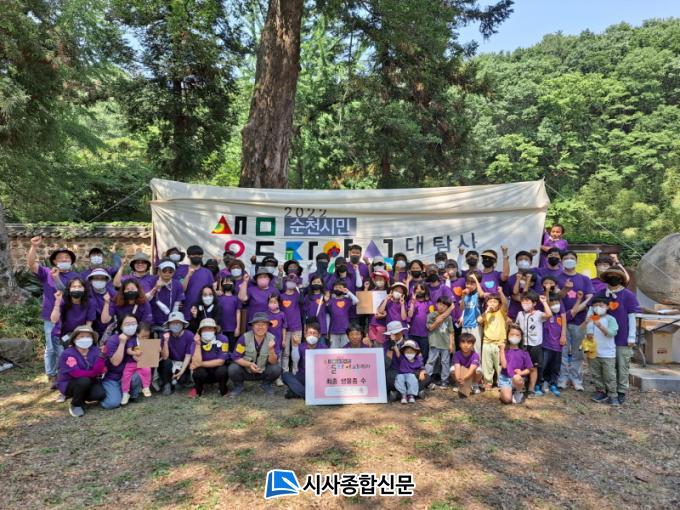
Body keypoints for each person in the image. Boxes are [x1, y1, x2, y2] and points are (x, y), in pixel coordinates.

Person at [27, 236, 79, 386]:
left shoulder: (75, 277)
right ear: (55, 261)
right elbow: (31, 264)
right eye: (60, 258)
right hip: (51, 316)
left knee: (67, 345)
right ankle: (51, 374)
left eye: (67, 258)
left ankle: (66, 372)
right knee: (50, 347)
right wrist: (33, 247)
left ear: (71, 261)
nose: (64, 260)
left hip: (69, 317)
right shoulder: (47, 273)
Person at [599, 266, 640, 405]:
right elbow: (594, 313)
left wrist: (632, 336)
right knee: (606, 365)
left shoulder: (628, 295)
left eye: (616, 275)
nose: (613, 278)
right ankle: (607, 389)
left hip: (623, 336)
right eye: (610, 275)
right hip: (604, 337)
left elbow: (632, 316)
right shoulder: (601, 293)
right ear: (606, 278)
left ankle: (621, 391)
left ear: (621, 278)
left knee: (622, 365)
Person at [557, 250, 594, 392]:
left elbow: (589, 297)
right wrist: (565, 289)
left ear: (576, 261)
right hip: (561, 320)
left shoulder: (584, 279)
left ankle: (576, 379)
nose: (569, 260)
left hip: (579, 321)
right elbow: (556, 298)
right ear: (562, 261)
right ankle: (562, 378)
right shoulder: (558, 278)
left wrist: (576, 310)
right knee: (563, 350)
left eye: (572, 258)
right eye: (566, 258)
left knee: (578, 351)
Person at [56, 325, 107, 417]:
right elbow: (76, 373)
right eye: (81, 336)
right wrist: (93, 373)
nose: (85, 339)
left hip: (90, 381)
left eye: (88, 336)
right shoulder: (67, 353)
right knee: (84, 380)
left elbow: (99, 369)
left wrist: (102, 357)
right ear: (75, 339)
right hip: (70, 383)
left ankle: (81, 397)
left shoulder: (95, 350)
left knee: (100, 394)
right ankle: (76, 404)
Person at [228, 312, 282, 397]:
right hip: (246, 371)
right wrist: (249, 365)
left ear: (268, 326)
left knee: (277, 369)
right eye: (257, 324)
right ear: (252, 326)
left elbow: (273, 362)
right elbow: (236, 357)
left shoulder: (273, 339)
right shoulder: (244, 338)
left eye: (263, 324)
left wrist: (271, 350)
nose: (260, 327)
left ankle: (266, 384)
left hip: (263, 371)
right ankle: (239, 386)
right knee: (233, 368)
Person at [583, 296, 620, 406]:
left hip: (608, 353)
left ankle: (613, 395)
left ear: (607, 307)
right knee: (596, 374)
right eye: (595, 306)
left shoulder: (610, 319)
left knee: (609, 375)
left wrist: (600, 326)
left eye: (601, 305)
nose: (598, 308)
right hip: (593, 352)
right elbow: (587, 332)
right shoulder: (592, 318)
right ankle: (600, 391)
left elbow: (612, 333)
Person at [100, 314, 143, 409]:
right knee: (112, 403)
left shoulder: (140, 338)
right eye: (127, 324)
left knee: (140, 373)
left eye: (134, 323)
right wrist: (122, 343)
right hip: (114, 378)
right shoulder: (113, 340)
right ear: (121, 326)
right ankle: (115, 392)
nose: (131, 326)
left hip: (130, 375)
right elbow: (115, 362)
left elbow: (147, 361)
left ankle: (133, 395)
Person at [515, 291, 552, 397]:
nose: (525, 304)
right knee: (521, 366)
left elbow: (549, 315)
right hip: (522, 345)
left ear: (534, 303)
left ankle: (531, 389)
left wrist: (544, 302)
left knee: (533, 367)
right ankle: (520, 387)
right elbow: (516, 326)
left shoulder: (538, 314)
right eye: (523, 301)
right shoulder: (520, 314)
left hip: (535, 346)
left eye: (527, 301)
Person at [282, 321, 327, 399]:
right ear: (305, 334)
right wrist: (295, 345)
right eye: (309, 333)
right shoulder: (301, 347)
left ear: (319, 335)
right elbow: (295, 360)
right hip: (303, 376)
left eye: (314, 333)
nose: (312, 335)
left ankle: (296, 392)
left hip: (318, 378)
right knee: (285, 375)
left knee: (291, 391)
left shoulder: (324, 348)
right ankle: (306, 394)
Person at [476, 290, 509, 390]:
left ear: (499, 304)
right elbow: (478, 320)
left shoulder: (502, 312)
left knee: (499, 365)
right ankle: (488, 382)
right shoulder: (486, 314)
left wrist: (501, 292)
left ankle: (501, 382)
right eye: (490, 301)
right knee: (487, 365)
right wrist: (486, 311)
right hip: (487, 343)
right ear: (486, 303)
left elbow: (505, 304)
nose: (492, 304)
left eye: (495, 302)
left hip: (499, 343)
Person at [189, 318, 230, 397]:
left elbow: (221, 361)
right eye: (204, 329)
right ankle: (199, 390)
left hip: (217, 371)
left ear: (215, 330)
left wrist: (200, 364)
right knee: (198, 372)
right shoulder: (195, 342)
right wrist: (198, 344)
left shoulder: (223, 339)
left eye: (210, 328)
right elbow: (195, 362)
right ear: (200, 331)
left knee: (223, 370)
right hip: (203, 373)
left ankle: (223, 389)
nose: (207, 331)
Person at [158, 312, 195, 395]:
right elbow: (165, 356)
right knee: (165, 362)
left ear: (182, 324)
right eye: (173, 323)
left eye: (178, 322)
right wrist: (166, 341)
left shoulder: (189, 335)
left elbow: (188, 356)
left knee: (181, 381)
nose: (175, 325)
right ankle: (167, 384)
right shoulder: (165, 336)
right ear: (169, 325)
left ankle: (180, 381)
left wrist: (181, 371)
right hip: (170, 363)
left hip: (183, 363)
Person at [120, 321, 154, 405]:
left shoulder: (148, 341)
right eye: (143, 336)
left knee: (147, 370)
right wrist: (135, 353)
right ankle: (125, 393)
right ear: (137, 334)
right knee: (126, 376)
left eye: (147, 336)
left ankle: (146, 387)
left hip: (142, 362)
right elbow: (128, 351)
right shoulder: (133, 340)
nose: (145, 338)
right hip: (131, 363)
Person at [425, 296, 456, 388]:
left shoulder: (449, 318)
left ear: (448, 308)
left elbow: (451, 332)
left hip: (445, 344)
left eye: (444, 306)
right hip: (434, 342)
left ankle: (444, 380)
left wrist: (451, 344)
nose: (441, 307)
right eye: (440, 304)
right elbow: (430, 328)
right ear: (436, 304)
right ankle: (426, 379)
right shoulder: (431, 315)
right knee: (431, 361)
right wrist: (438, 321)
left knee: (445, 362)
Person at [498, 325, 533, 405]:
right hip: (505, 379)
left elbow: (529, 369)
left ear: (521, 338)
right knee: (507, 400)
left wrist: (521, 373)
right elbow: (504, 366)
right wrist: (502, 350)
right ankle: (505, 391)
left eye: (517, 335)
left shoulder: (524, 352)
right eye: (512, 334)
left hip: (518, 379)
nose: (514, 337)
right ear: (507, 336)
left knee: (516, 377)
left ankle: (518, 391)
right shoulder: (504, 350)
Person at [146, 259, 185, 331]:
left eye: (170, 271)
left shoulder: (177, 284)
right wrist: (156, 287)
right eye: (164, 270)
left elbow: (177, 304)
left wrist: (172, 319)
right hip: (153, 320)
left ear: (174, 272)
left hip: (169, 321)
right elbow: (146, 299)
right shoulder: (151, 281)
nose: (167, 273)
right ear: (159, 271)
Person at [541, 292, 567, 396]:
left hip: (558, 346)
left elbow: (564, 322)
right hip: (546, 346)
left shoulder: (560, 316)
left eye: (557, 303)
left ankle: (553, 383)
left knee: (556, 366)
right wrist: (547, 291)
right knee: (545, 365)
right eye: (552, 304)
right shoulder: (546, 316)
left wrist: (563, 335)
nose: (555, 305)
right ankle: (544, 382)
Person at [181, 246, 216, 320]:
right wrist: (188, 275)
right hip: (186, 310)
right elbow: (181, 289)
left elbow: (212, 292)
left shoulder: (207, 272)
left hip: (203, 312)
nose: (197, 256)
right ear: (188, 256)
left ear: (202, 256)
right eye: (194, 255)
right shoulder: (181, 270)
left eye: (199, 254)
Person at [280, 274, 303, 376]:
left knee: (295, 350)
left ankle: (295, 371)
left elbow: (303, 301)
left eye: (293, 281)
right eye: (289, 281)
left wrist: (299, 288)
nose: (291, 283)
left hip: (297, 327)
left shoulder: (298, 295)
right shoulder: (281, 296)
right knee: (285, 352)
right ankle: (285, 372)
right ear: (285, 282)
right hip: (285, 329)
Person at [327, 278, 359, 348]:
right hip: (333, 331)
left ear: (344, 289)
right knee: (334, 351)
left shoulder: (347, 300)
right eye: (336, 287)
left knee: (345, 350)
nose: (338, 289)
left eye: (340, 287)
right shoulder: (331, 301)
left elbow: (356, 301)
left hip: (345, 330)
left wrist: (348, 292)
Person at [392, 340, 426, 404]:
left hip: (411, 374)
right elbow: (397, 352)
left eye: (411, 351)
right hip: (401, 374)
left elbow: (422, 368)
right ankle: (403, 395)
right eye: (407, 351)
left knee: (412, 379)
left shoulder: (418, 360)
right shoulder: (402, 358)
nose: (409, 353)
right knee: (399, 379)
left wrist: (422, 372)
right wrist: (394, 344)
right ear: (404, 352)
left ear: (415, 352)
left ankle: (411, 395)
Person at [87, 268, 116, 337]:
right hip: (90, 327)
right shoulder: (87, 292)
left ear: (106, 281)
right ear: (91, 280)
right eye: (96, 278)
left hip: (107, 329)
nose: (99, 281)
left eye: (102, 279)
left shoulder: (112, 294)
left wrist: (107, 302)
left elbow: (105, 320)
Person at [407, 283, 434, 358]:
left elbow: (432, 317)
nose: (419, 291)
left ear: (425, 291)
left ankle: (423, 365)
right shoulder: (411, 302)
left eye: (421, 289)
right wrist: (413, 303)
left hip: (425, 334)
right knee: (412, 353)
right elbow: (410, 315)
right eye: (417, 289)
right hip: (413, 333)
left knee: (424, 354)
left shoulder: (429, 303)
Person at [459, 274, 484, 354]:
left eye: (472, 283)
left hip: (475, 326)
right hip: (465, 325)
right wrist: (463, 296)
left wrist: (475, 279)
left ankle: (477, 362)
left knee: (476, 348)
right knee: (464, 349)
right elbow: (462, 308)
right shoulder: (465, 295)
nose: (469, 285)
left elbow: (482, 294)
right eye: (467, 283)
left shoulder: (477, 295)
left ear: (476, 284)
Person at [451, 332, 482, 397]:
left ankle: (474, 384)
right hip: (461, 372)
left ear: (473, 345)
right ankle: (458, 383)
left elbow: (471, 369)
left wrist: (463, 378)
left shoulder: (475, 355)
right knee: (452, 369)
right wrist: (459, 379)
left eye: (469, 343)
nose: (466, 345)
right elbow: (457, 367)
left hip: (471, 373)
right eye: (463, 342)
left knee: (479, 370)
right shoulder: (456, 354)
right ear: (459, 344)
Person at [216, 275, 241, 351]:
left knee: (232, 347)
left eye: (230, 282)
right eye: (225, 282)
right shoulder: (218, 298)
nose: (227, 283)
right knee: (221, 347)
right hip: (221, 328)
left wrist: (238, 328)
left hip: (232, 328)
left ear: (233, 284)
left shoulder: (236, 298)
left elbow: (238, 313)